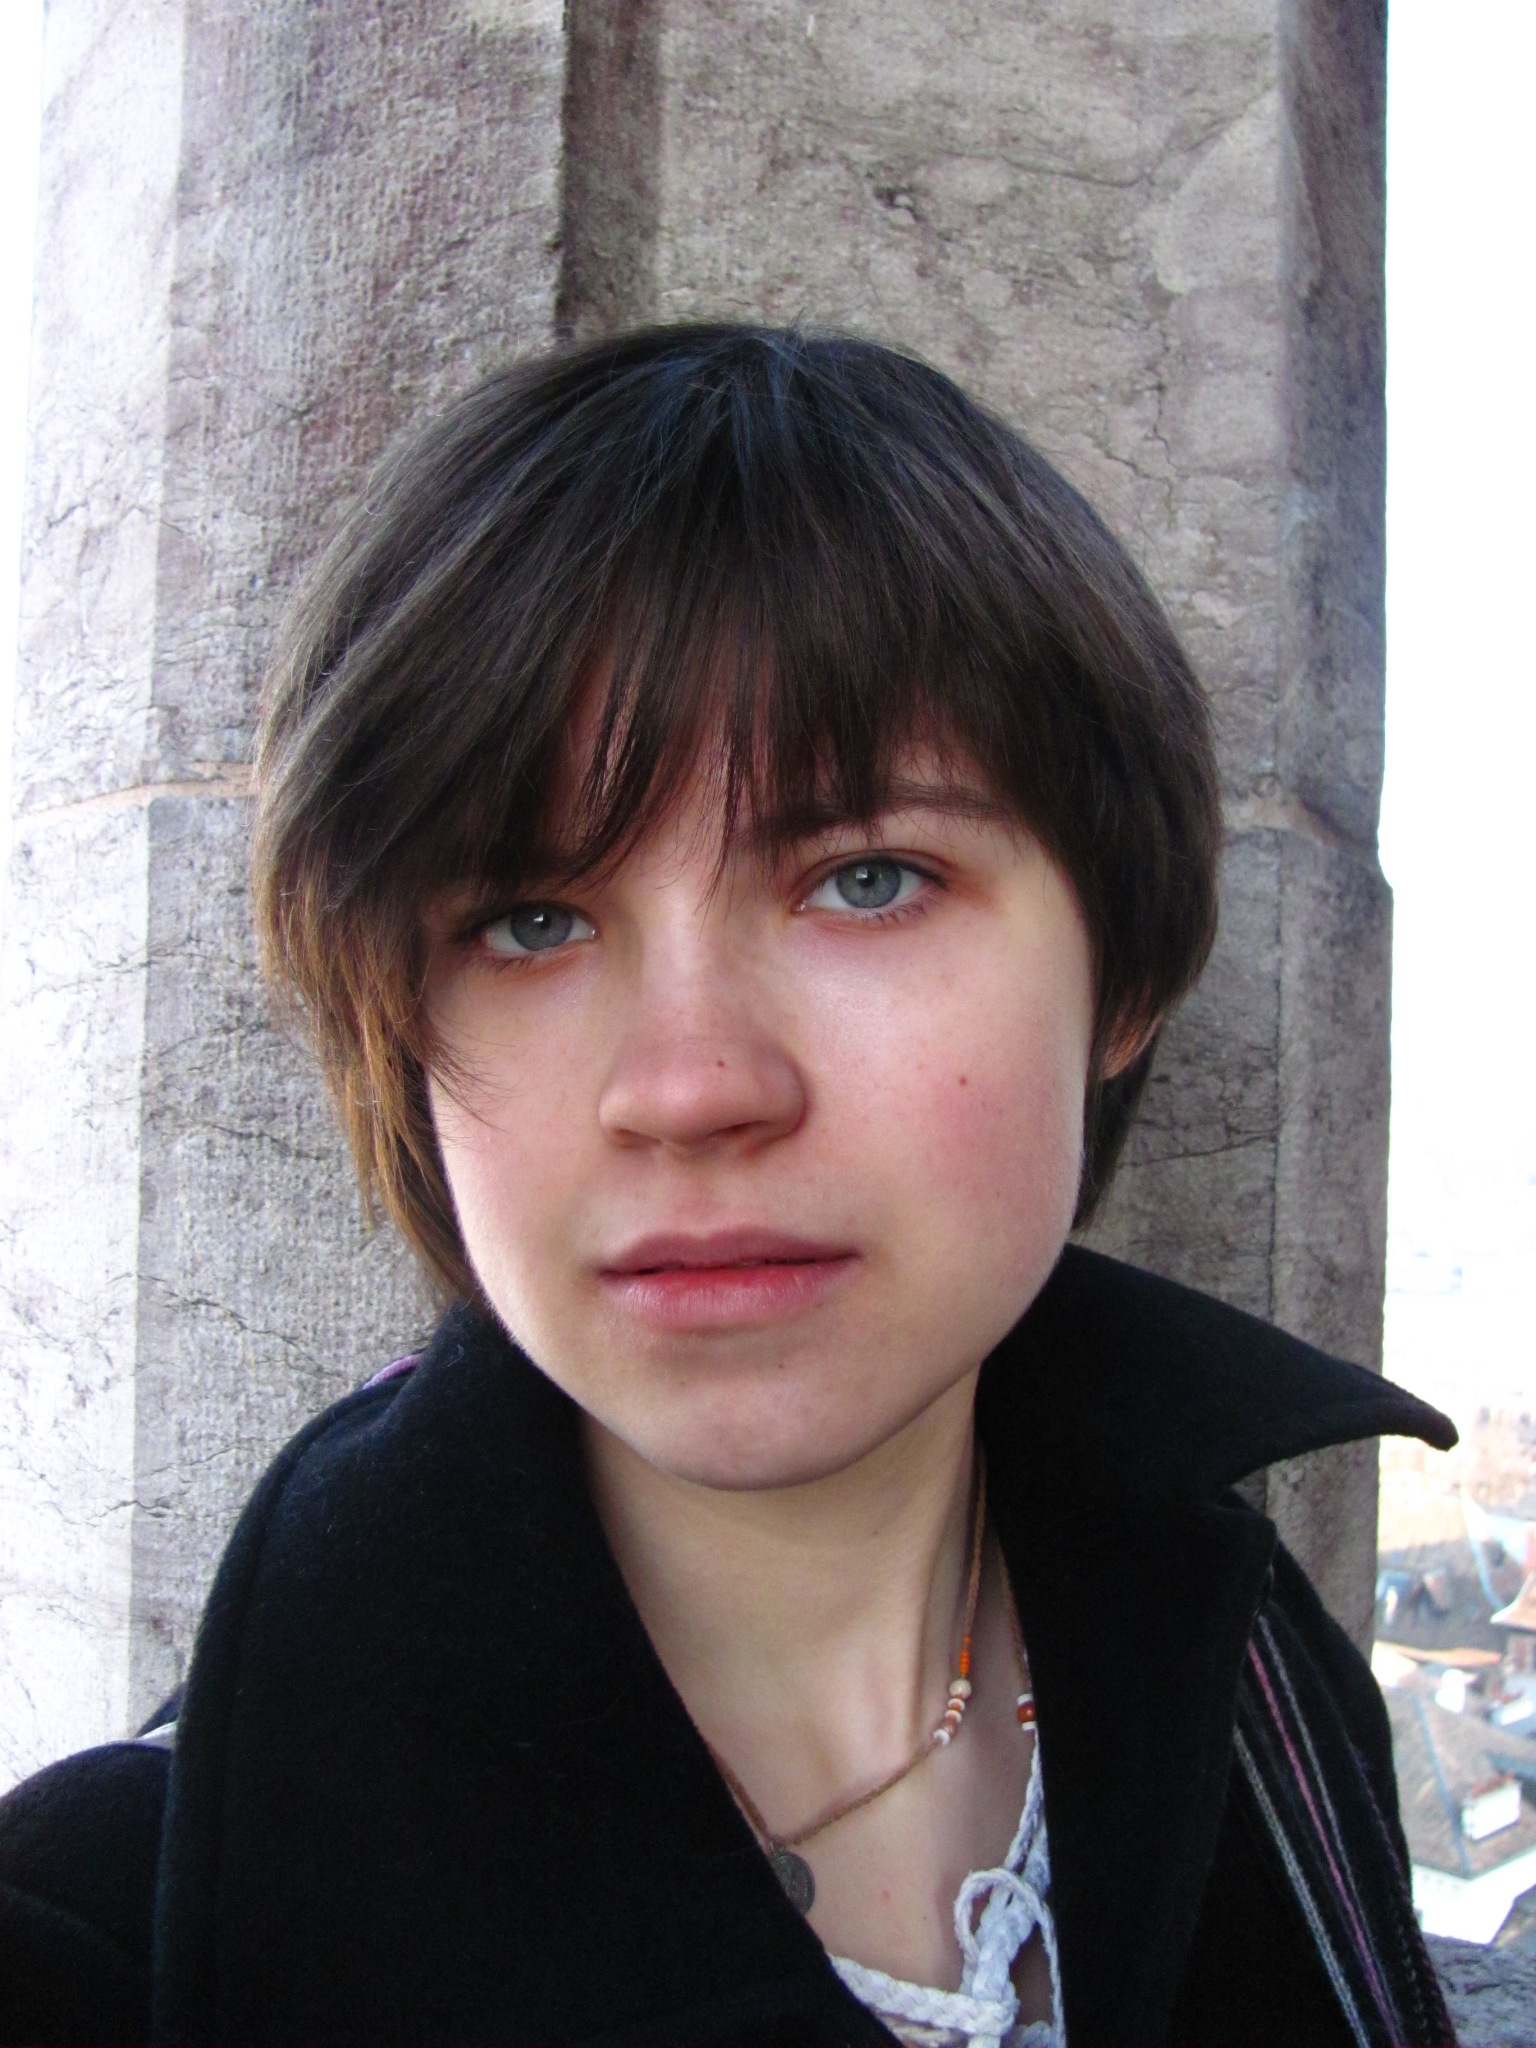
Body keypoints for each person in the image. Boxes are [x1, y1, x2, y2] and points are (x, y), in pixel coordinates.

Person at [0, 327, 1456, 2048]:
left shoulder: (1259, 1681)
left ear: (1122, 973)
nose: (691, 1086)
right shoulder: (116, 1935)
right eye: (531, 920)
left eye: (867, 880)